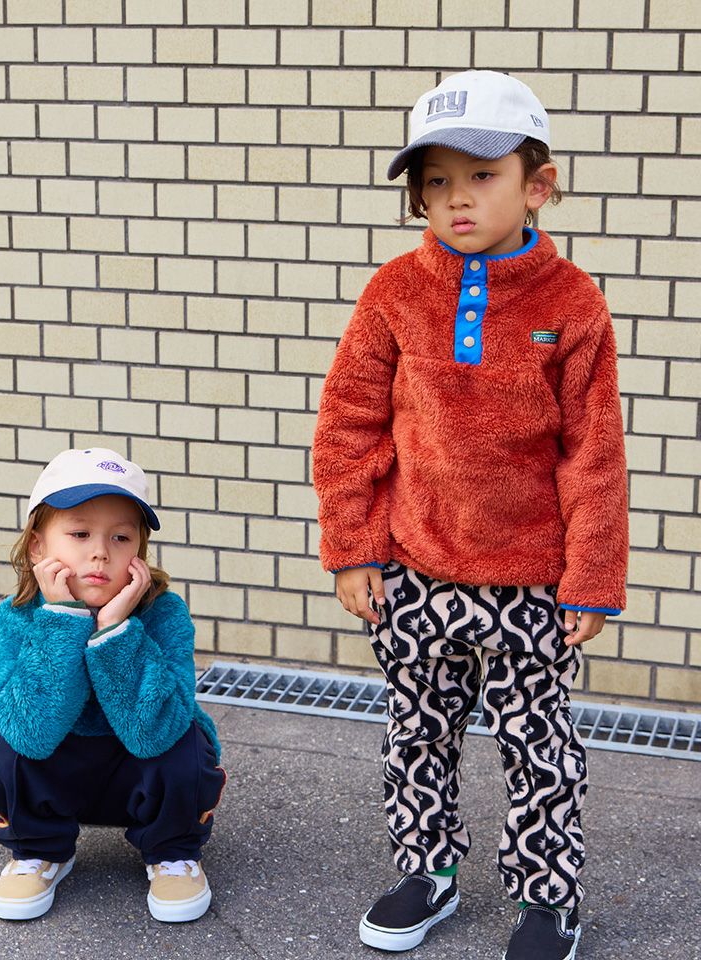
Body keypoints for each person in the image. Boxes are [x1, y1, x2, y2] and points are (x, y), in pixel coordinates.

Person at [312, 70, 628, 960]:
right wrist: (353, 548)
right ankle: (428, 871)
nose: (456, 198)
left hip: (532, 580)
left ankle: (548, 897)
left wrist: (592, 577)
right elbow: (347, 425)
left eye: (482, 176)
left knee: (539, 748)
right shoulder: (394, 292)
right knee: (417, 734)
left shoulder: (573, 304)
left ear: (538, 185)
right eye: (437, 180)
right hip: (414, 570)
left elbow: (593, 453)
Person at [0, 448, 225, 922]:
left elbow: (155, 733)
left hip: (136, 769)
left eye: (121, 537)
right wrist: (63, 621)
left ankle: (172, 851)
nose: (100, 551)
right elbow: (28, 734)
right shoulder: (11, 619)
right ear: (38, 546)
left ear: (139, 552)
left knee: (184, 741)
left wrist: (115, 630)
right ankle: (40, 849)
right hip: (57, 769)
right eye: (80, 534)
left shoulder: (165, 613)